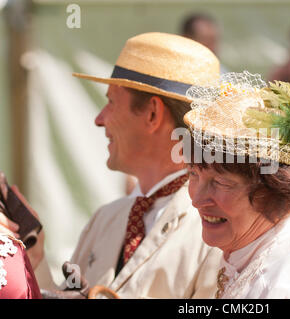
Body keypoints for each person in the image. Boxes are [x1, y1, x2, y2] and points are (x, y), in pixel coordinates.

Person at [0, 32, 222, 298]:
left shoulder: (214, 230)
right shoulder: (105, 219)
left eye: (111, 102)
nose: (99, 119)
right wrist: (34, 257)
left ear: (152, 113)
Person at [182, 71, 290, 298]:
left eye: (221, 182)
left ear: (277, 189)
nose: (196, 199)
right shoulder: (250, 253)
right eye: (194, 174)